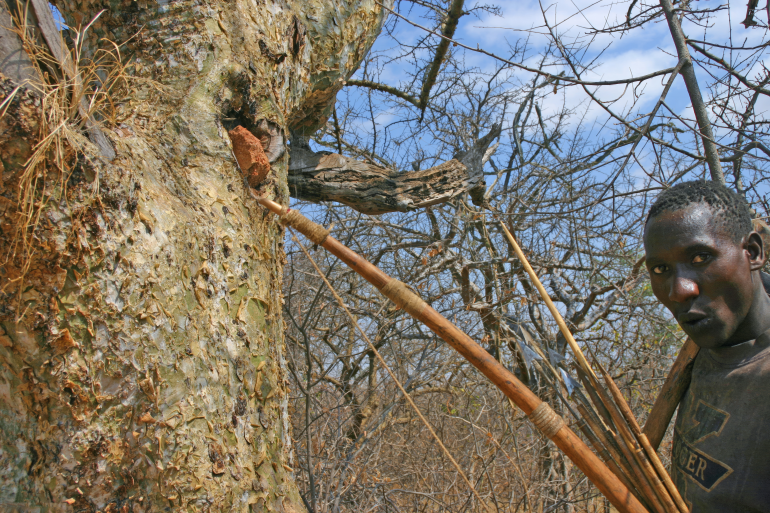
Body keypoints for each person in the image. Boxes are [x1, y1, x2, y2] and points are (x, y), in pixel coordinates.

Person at [643, 180, 770, 512]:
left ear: (753, 253)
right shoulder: (706, 341)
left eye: (700, 257)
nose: (678, 291)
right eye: (660, 269)